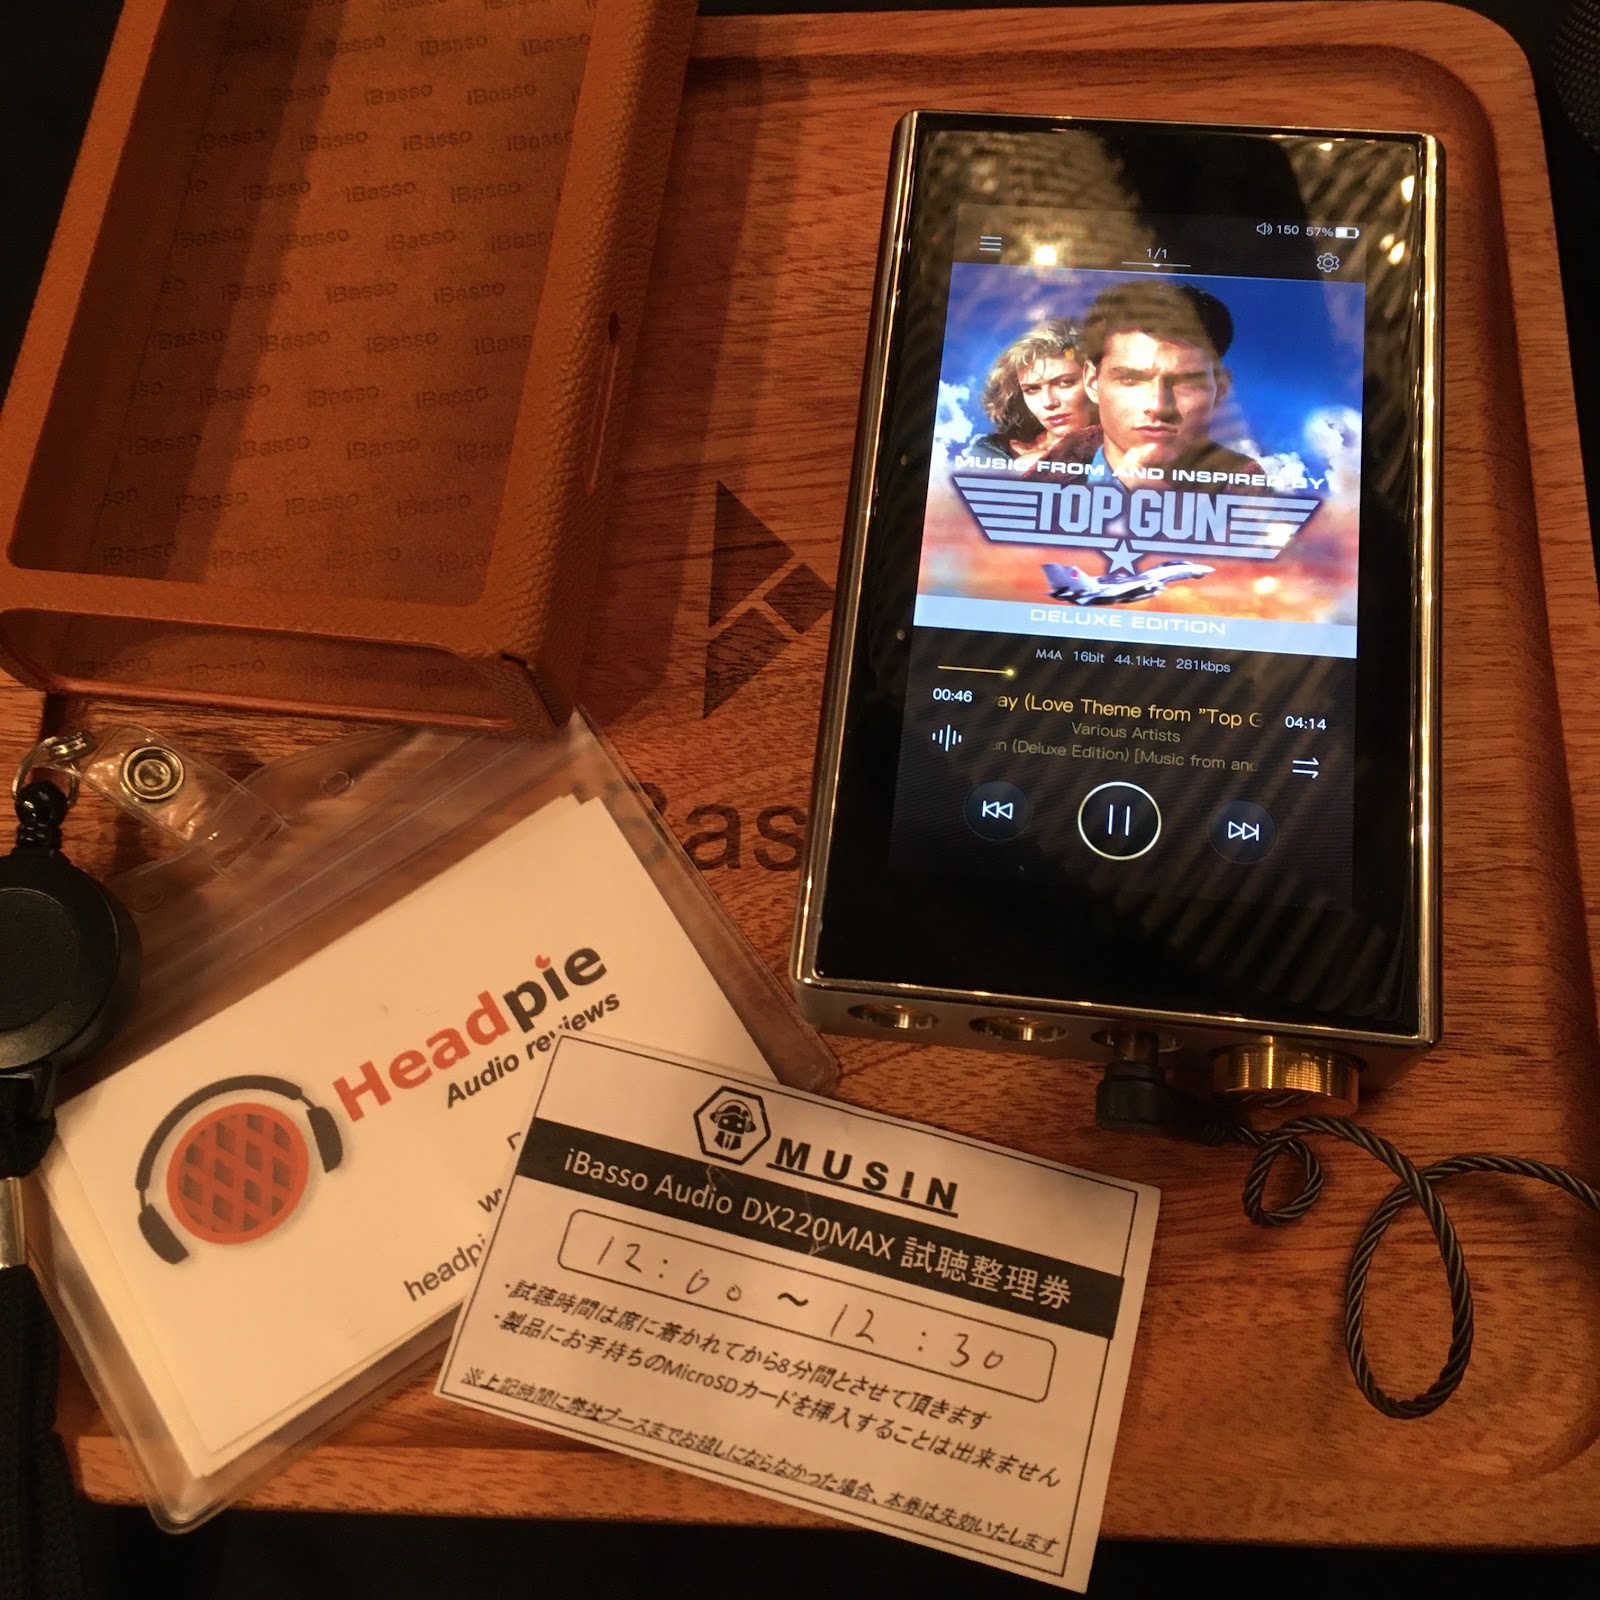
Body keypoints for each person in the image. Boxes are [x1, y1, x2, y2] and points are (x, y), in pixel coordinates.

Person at [1041, 281, 1263, 487]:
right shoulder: (1034, 484)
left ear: (1221, 389)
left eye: (1187, 382)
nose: (1158, 406)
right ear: (1091, 382)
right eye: (1130, 379)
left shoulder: (1260, 504)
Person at [970, 320, 1093, 469]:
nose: (1048, 402)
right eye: (1032, 389)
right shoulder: (991, 452)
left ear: (1094, 382)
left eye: (1065, 382)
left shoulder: (1114, 456)